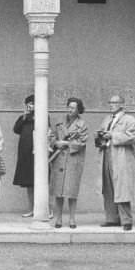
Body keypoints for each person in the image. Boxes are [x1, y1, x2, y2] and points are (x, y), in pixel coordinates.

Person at [97, 94, 135, 231]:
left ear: (122, 104)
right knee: (108, 187)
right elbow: (102, 136)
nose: (111, 105)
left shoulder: (129, 119)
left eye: (115, 102)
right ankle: (112, 218)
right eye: (110, 102)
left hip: (121, 157)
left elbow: (132, 136)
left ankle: (126, 220)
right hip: (107, 155)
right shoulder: (106, 119)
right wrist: (100, 136)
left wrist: (112, 135)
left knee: (122, 188)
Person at [49, 97, 88, 229]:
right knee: (58, 192)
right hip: (59, 159)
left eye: (73, 108)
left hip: (73, 160)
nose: (70, 110)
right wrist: (55, 142)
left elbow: (82, 142)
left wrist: (65, 143)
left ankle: (72, 218)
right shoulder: (59, 121)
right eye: (69, 107)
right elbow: (51, 136)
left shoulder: (82, 125)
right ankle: (58, 218)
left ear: (79, 110)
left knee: (72, 192)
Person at [12, 94, 37, 217]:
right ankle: (31, 209)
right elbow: (16, 129)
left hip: (37, 154)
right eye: (29, 104)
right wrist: (25, 116)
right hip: (25, 154)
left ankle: (45, 209)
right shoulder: (23, 118)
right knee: (29, 183)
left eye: (33, 103)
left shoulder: (42, 116)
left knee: (41, 183)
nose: (31, 106)